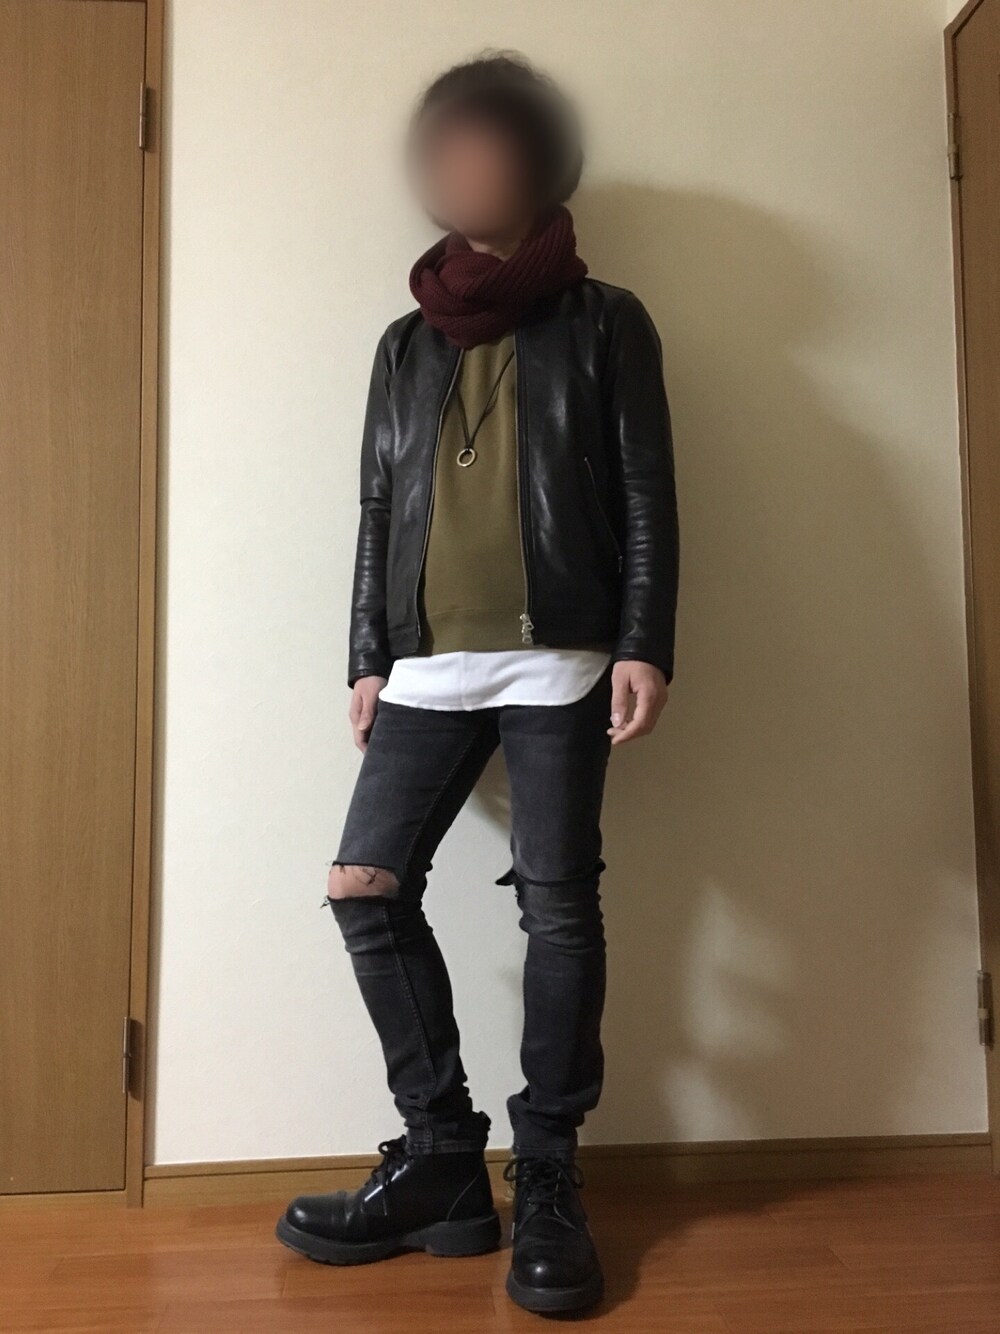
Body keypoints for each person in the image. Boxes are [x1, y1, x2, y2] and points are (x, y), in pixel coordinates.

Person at [275, 50, 678, 1315]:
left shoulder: (605, 319)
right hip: (426, 661)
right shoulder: (404, 343)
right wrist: (367, 653)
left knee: (556, 905)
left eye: (489, 144)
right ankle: (444, 1154)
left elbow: (647, 493)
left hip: (562, 653)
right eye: (446, 146)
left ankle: (547, 1170)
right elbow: (376, 506)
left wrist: (645, 638)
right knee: (363, 884)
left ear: (541, 161)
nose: (465, 166)